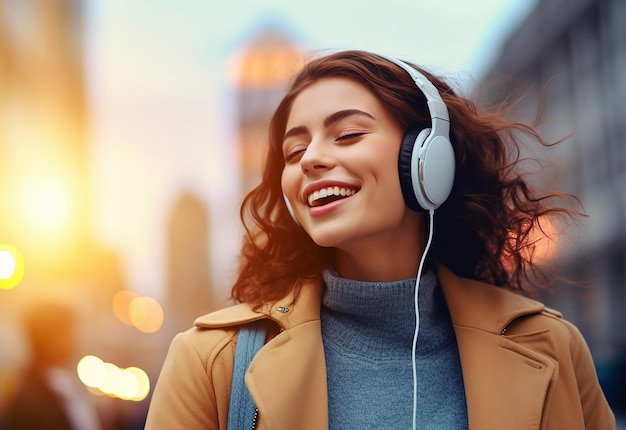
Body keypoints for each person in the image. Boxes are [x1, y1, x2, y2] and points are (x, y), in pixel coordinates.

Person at [144, 50, 615, 429]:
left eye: (347, 134)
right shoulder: (209, 363)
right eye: (294, 150)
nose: (310, 159)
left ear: (428, 159)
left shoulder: (552, 346)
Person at [3, 301, 102, 430]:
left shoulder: (66, 382)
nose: (73, 339)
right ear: (48, 337)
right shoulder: (27, 397)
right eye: (67, 332)